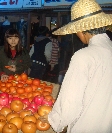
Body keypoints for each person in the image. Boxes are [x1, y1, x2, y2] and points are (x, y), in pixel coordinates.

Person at [40, 0, 112, 132]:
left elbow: (71, 101)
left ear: (81, 29)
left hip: (88, 125)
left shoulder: (84, 56)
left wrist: (53, 118)